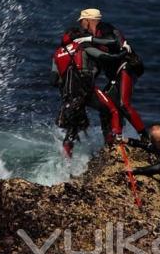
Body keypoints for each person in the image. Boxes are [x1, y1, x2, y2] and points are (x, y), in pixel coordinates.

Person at [50, 28, 126, 158]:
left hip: (70, 96)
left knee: (72, 129)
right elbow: (106, 57)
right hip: (86, 90)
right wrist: (123, 52)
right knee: (112, 110)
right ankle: (115, 143)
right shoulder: (82, 47)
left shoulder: (57, 54)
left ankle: (66, 163)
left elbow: (53, 80)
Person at [78, 8, 148, 141]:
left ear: (87, 20)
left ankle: (145, 138)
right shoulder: (92, 37)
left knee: (123, 104)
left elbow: (112, 40)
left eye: (81, 21)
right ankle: (112, 142)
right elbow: (98, 63)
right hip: (115, 76)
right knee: (107, 108)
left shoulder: (105, 28)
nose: (81, 25)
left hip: (126, 67)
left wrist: (90, 39)